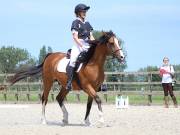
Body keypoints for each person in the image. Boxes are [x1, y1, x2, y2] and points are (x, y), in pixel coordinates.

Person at [66, 4, 95, 90]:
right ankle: (69, 82)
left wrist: (95, 44)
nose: (85, 13)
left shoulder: (87, 23)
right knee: (73, 61)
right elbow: (75, 37)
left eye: (85, 11)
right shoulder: (75, 22)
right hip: (78, 44)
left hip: (88, 44)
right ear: (78, 13)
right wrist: (81, 46)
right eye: (83, 11)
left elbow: (91, 36)